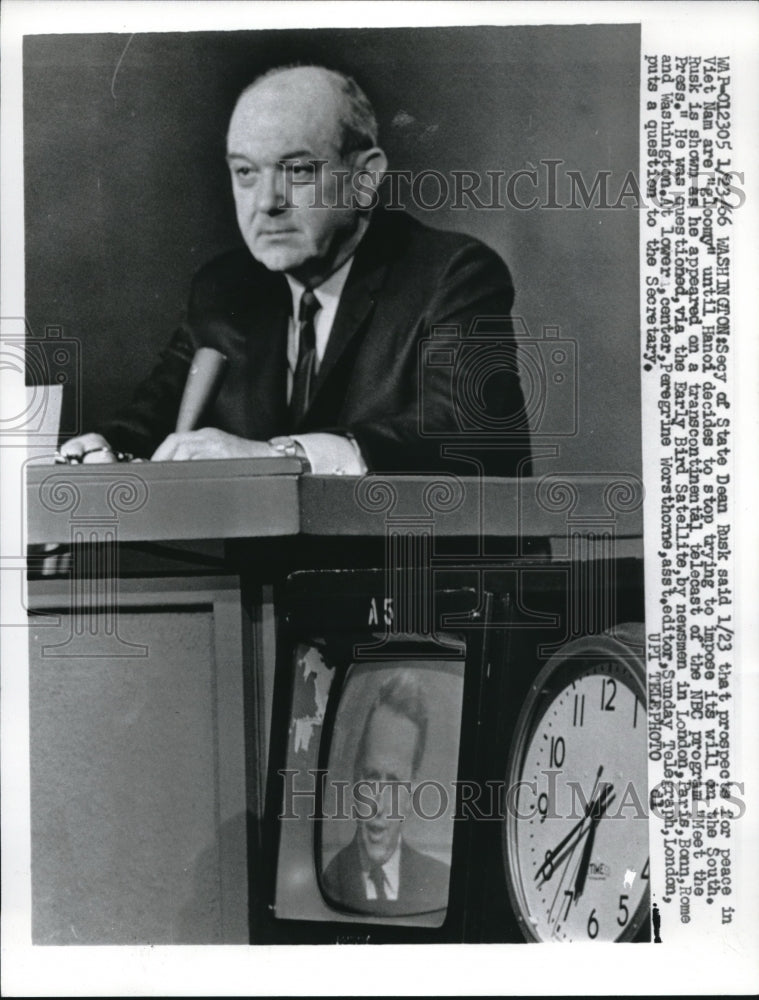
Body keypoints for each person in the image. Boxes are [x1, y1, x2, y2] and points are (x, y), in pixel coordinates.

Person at [60, 65, 531, 476]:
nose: (266, 203)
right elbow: (152, 418)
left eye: (298, 170)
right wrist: (104, 447)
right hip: (279, 579)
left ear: (365, 178)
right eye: (246, 173)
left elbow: (470, 436)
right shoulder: (224, 290)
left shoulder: (452, 274)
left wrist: (279, 456)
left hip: (425, 576)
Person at [321, 671, 450, 915]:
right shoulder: (331, 878)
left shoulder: (440, 882)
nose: (378, 805)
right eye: (371, 777)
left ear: (411, 791)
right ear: (355, 778)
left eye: (393, 782)